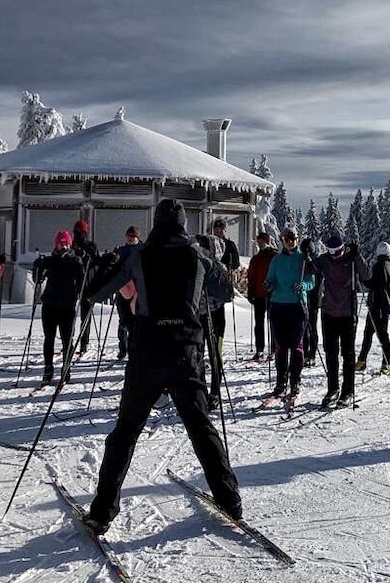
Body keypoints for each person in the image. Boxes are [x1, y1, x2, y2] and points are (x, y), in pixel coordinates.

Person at [82, 198, 241, 534]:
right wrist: (202, 296)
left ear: (155, 222)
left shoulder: (139, 255)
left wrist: (105, 263)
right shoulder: (197, 256)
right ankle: (229, 499)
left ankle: (102, 511)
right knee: (201, 428)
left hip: (148, 353)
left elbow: (96, 293)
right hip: (185, 351)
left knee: (125, 432)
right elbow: (226, 291)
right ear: (183, 224)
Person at [313, 236, 368, 408]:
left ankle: (348, 391)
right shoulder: (324, 260)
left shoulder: (351, 259)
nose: (334, 255)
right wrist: (308, 252)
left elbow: (367, 276)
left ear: (343, 248)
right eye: (330, 252)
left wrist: (358, 256)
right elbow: (309, 268)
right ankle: (333, 389)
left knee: (348, 354)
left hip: (347, 314)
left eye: (336, 252)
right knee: (331, 353)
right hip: (329, 313)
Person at [263, 227, 314, 403]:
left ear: (297, 239)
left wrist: (303, 286)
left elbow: (311, 281)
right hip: (278, 305)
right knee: (281, 346)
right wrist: (268, 285)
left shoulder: (303, 259)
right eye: (286, 239)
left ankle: (295, 383)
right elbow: (270, 279)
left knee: (296, 346)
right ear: (282, 240)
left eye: (292, 239)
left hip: (297, 306)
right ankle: (280, 382)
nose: (289, 242)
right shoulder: (277, 260)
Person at [32, 231, 85, 384]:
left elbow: (82, 280)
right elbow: (38, 278)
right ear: (56, 244)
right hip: (50, 304)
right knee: (49, 337)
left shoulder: (74, 261)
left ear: (70, 244)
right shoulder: (50, 260)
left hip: (67, 305)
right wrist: (38, 267)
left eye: (66, 243)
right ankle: (48, 368)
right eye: (61, 243)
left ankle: (66, 368)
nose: (63, 246)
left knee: (67, 339)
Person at [195, 234, 233, 411]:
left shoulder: (218, 267)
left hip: (215, 315)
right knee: (198, 354)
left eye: (204, 247)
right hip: (199, 315)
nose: (201, 249)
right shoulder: (197, 265)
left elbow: (227, 294)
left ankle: (215, 392)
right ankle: (201, 390)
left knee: (215, 353)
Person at [357, 241, 390, 375]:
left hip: (379, 305)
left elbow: (376, 283)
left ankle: (385, 363)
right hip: (378, 305)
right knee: (368, 333)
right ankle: (362, 360)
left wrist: (364, 280)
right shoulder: (388, 264)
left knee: (381, 335)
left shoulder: (381, 265)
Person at [245, 232, 278, 361]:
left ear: (267, 242)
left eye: (262, 242)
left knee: (273, 323)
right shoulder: (255, 258)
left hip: (272, 295)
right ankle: (259, 349)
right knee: (259, 323)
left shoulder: (274, 256)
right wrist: (250, 291)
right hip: (258, 295)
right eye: (259, 242)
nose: (260, 244)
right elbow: (251, 276)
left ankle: (274, 349)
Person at [113, 226, 143, 359]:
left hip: (138, 292)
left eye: (133, 236)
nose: (131, 238)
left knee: (136, 323)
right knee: (123, 321)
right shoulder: (120, 251)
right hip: (123, 290)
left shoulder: (142, 251)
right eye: (129, 236)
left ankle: (134, 349)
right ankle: (123, 349)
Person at [71, 219, 99, 355]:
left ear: (84, 233)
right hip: (73, 284)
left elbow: (96, 262)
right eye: (75, 232)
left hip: (87, 285)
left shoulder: (91, 246)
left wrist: (85, 256)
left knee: (85, 316)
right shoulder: (71, 245)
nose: (77, 234)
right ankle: (68, 342)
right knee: (69, 316)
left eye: (79, 232)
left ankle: (84, 342)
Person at [300, 237, 321, 366]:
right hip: (302, 297)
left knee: (312, 326)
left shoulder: (316, 260)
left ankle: (312, 354)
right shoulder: (301, 260)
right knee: (303, 327)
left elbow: (318, 274)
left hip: (314, 297)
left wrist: (310, 262)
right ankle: (303, 352)